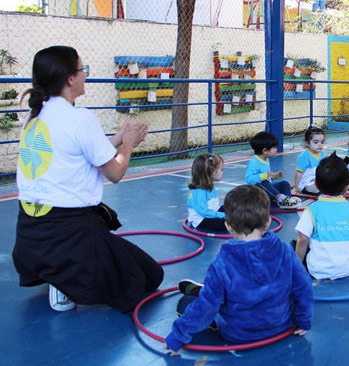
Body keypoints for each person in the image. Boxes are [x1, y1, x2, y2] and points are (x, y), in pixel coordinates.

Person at [12, 46, 163, 313]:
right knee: (151, 277)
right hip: (70, 233)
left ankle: (55, 270)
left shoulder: (34, 116)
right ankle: (64, 279)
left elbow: (82, 148)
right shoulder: (80, 118)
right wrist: (127, 145)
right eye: (83, 70)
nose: (85, 75)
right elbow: (115, 173)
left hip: (32, 234)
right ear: (70, 79)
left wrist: (117, 138)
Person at [164, 185, 314, 355]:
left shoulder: (222, 262)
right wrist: (303, 320)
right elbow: (304, 287)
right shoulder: (285, 250)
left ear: (228, 226)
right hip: (281, 325)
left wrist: (178, 335)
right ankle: (202, 289)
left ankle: (200, 290)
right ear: (268, 222)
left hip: (238, 334)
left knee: (187, 304)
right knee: (213, 296)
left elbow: (206, 307)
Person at [294, 154, 349, 280]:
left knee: (292, 246)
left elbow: (302, 238)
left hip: (318, 270)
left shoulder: (312, 210)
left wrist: (297, 268)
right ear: (347, 187)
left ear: (315, 184)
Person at [245, 131, 301, 209]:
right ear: (265, 151)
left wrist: (275, 175)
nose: (276, 150)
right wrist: (264, 176)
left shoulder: (266, 159)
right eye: (274, 148)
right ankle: (281, 199)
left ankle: (285, 200)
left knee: (284, 183)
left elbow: (268, 177)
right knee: (263, 183)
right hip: (256, 194)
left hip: (267, 190)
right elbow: (249, 179)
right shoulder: (254, 162)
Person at [186, 153, 226, 231]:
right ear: (213, 172)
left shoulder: (209, 185)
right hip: (202, 219)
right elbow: (204, 212)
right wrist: (222, 215)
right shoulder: (199, 192)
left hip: (212, 211)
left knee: (231, 207)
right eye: (221, 169)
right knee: (223, 223)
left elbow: (213, 205)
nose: (222, 172)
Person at [292, 126, 325, 195]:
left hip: (317, 181)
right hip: (306, 183)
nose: (320, 145)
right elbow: (298, 173)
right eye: (316, 142)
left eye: (322, 142)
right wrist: (295, 187)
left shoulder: (321, 153)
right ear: (307, 143)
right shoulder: (304, 156)